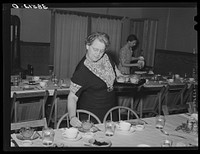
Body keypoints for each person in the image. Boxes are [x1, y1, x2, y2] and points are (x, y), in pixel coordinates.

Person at [68, 32, 123, 127]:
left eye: (101, 51)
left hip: (111, 112)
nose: (98, 54)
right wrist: (72, 117)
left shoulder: (107, 57)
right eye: (95, 49)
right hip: (92, 117)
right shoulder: (82, 70)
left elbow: (116, 72)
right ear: (87, 46)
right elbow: (72, 97)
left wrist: (123, 77)